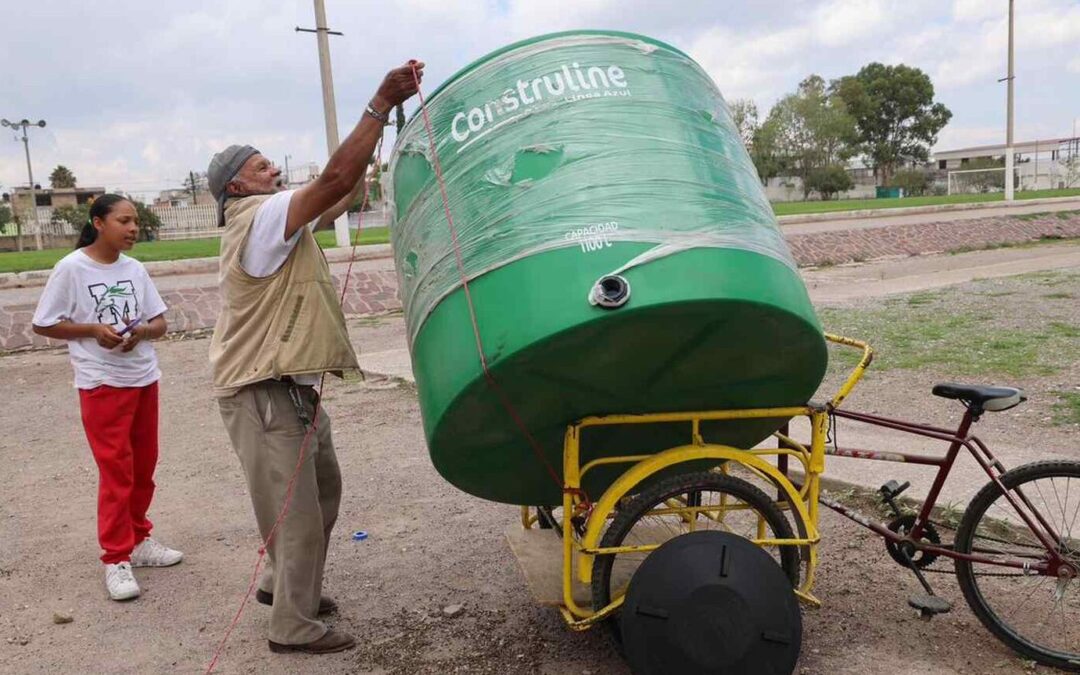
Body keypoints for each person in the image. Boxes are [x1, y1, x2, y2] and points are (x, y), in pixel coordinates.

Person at [207, 60, 424, 655]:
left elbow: (343, 190)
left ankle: (281, 584)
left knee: (322, 492)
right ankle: (292, 627)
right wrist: (379, 103)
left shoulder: (279, 219)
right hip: (262, 390)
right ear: (236, 188)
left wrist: (382, 139)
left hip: (289, 388)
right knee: (296, 511)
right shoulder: (258, 219)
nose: (273, 170)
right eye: (260, 167)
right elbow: (332, 181)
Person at [31, 194, 182, 602]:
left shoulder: (134, 269)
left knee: (144, 466)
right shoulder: (72, 268)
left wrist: (142, 332)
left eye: (135, 221)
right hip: (101, 383)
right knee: (117, 472)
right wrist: (93, 330)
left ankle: (139, 539)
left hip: (144, 378)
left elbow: (159, 322)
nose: (133, 228)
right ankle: (116, 558)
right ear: (98, 223)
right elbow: (44, 323)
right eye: (124, 221)